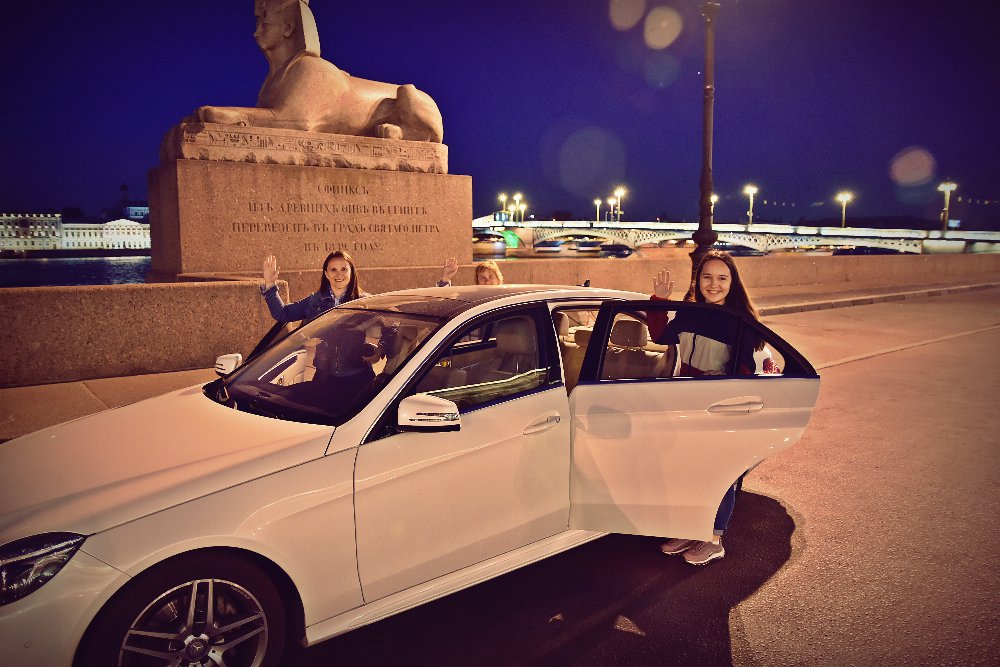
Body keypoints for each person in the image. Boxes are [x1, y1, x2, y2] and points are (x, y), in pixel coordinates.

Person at [648, 249, 761, 565]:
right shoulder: (690, 313)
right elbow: (660, 335)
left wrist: (724, 396)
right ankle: (690, 529)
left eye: (722, 278)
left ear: (732, 282)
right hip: (686, 400)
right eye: (707, 277)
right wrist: (659, 301)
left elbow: (746, 372)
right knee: (688, 471)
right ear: (697, 280)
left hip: (718, 405)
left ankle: (713, 539)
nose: (714, 284)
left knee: (718, 474)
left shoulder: (739, 322)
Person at [260, 250, 368, 322]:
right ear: (326, 274)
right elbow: (283, 313)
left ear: (351, 272)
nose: (339, 274)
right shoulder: (314, 301)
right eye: (333, 270)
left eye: (344, 269)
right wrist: (270, 284)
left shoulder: (365, 301)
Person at [436, 258, 504, 286]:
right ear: (477, 282)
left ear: (498, 280)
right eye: (482, 278)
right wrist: (445, 279)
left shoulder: (506, 300)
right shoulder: (473, 301)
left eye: (490, 276)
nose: (487, 281)